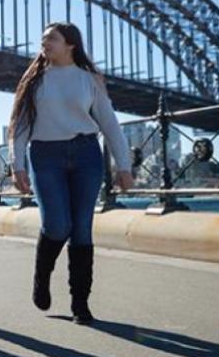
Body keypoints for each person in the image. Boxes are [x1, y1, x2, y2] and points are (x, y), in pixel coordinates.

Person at [9, 22, 135, 324]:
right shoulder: (35, 80)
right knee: (56, 225)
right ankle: (42, 276)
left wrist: (124, 166)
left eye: (51, 38)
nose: (45, 43)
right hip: (45, 156)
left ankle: (80, 303)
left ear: (70, 45)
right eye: (42, 39)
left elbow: (109, 123)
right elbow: (21, 127)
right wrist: (17, 166)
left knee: (81, 228)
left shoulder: (89, 80)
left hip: (86, 155)